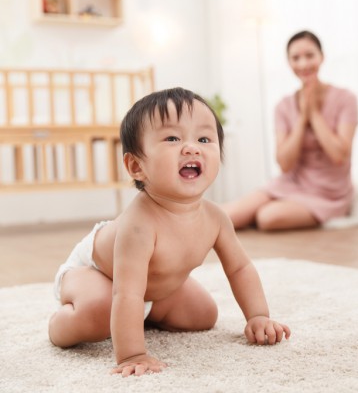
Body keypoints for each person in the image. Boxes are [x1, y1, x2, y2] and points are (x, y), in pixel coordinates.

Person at [48, 87, 291, 377]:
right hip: (97, 273)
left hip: (151, 288)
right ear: (137, 166)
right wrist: (132, 353)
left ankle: (144, 314)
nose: (191, 148)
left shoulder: (215, 218)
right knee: (100, 311)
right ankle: (59, 325)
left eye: (203, 138)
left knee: (203, 315)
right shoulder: (138, 224)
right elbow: (126, 292)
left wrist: (258, 315)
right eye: (172, 138)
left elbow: (240, 268)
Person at [223, 30, 358, 231]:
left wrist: (313, 113)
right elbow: (285, 164)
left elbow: (339, 155)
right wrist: (302, 118)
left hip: (328, 193)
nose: (303, 64)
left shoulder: (346, 98)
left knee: (268, 218)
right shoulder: (284, 106)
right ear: (289, 63)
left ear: (322, 57)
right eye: (296, 58)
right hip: (289, 183)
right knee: (228, 215)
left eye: (309, 55)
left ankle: (262, 212)